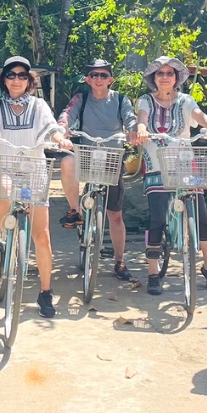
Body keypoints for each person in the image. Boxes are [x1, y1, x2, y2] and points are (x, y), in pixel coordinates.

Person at [0, 56, 71, 319]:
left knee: (42, 235)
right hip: (5, 164)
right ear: (4, 80)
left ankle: (46, 291)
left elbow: (51, 127)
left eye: (22, 75)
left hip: (35, 169)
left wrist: (60, 138)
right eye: (11, 75)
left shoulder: (39, 105)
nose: (17, 79)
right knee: (4, 189)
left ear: (29, 81)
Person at [135, 56, 207, 296]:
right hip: (156, 166)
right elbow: (142, 118)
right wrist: (142, 130)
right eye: (160, 73)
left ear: (176, 78)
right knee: (157, 218)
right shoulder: (145, 100)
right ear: (154, 79)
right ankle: (153, 273)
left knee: (203, 220)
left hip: (186, 166)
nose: (165, 77)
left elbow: (198, 115)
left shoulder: (185, 100)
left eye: (169, 73)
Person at [56, 59, 139, 282]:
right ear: (88, 79)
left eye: (103, 75)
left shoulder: (121, 100)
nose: (99, 79)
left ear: (110, 79)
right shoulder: (81, 99)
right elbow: (66, 115)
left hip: (112, 159)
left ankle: (119, 261)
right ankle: (75, 210)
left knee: (115, 215)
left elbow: (131, 118)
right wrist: (62, 129)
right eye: (94, 75)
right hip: (86, 156)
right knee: (66, 162)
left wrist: (133, 131)